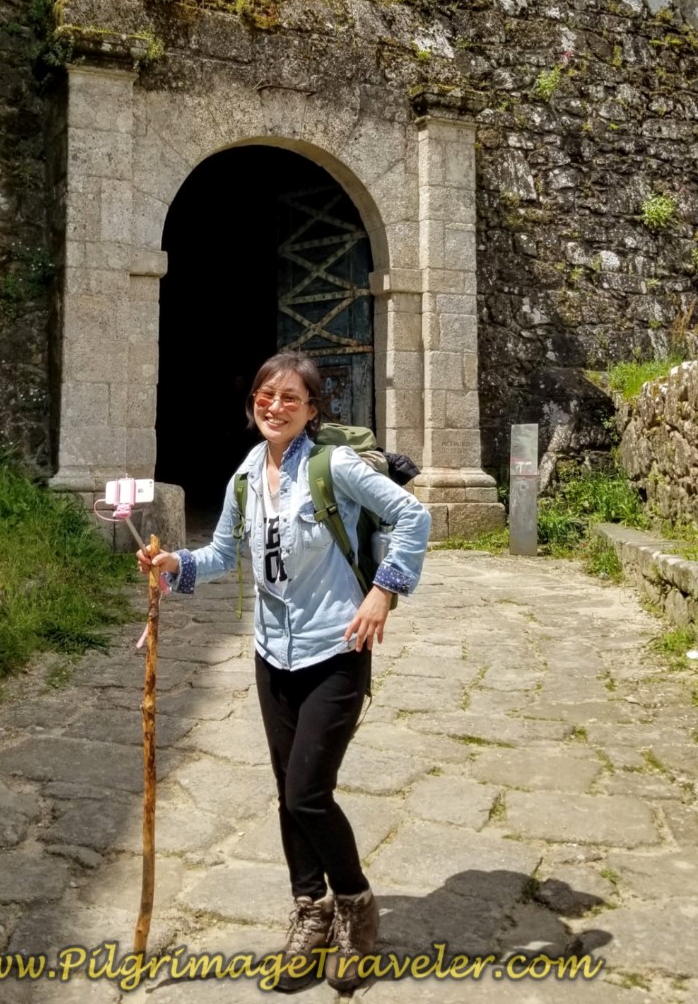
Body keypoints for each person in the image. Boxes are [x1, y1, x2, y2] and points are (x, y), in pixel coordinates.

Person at [137, 351, 431, 992]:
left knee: (306, 793)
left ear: (312, 409)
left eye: (290, 397)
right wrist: (174, 566)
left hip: (337, 650)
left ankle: (354, 906)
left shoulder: (335, 466)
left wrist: (383, 591)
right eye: (265, 396)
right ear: (254, 404)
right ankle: (309, 911)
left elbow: (413, 516)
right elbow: (222, 553)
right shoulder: (246, 474)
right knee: (287, 792)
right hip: (272, 655)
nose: (275, 406)